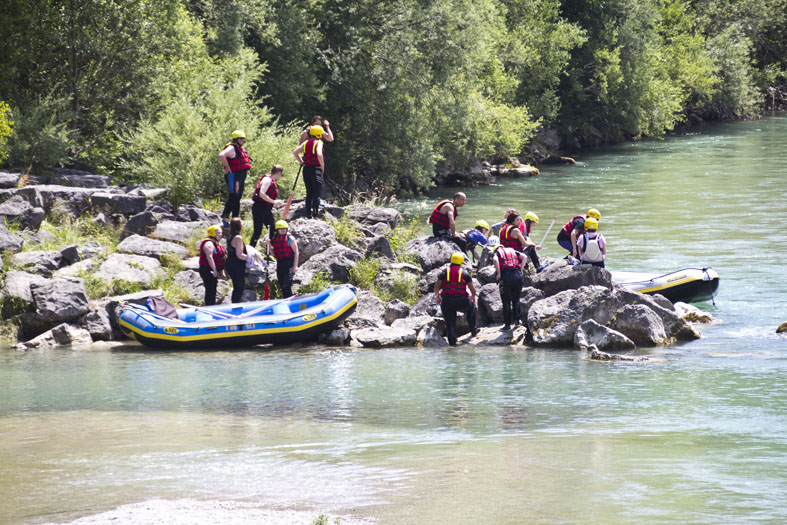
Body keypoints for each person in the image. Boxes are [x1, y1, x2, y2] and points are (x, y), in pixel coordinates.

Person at [434, 252, 478, 346]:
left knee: (450, 324)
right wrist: (472, 297)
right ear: (461, 261)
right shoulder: (465, 273)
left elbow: (436, 287)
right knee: (471, 308)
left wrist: (438, 297)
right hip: (462, 301)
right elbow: (473, 290)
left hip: (447, 301)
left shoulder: (444, 272)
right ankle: (473, 330)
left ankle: (452, 344)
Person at [492, 239, 528, 331]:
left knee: (506, 302)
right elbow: (524, 256)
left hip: (506, 277)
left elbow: (495, 259)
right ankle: (517, 322)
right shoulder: (512, 250)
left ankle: (507, 325)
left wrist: (498, 273)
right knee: (516, 300)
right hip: (517, 275)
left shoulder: (497, 252)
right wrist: (521, 269)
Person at [219, 130, 252, 225]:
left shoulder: (239, 148)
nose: (242, 140)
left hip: (240, 176)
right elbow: (221, 155)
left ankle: (235, 218)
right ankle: (226, 217)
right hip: (234, 176)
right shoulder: (232, 147)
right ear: (235, 139)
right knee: (233, 196)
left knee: (237, 197)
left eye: (243, 139)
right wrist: (227, 167)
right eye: (240, 139)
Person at [293, 125, 325, 219]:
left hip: (306, 169)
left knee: (309, 192)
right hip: (316, 170)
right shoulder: (319, 142)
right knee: (316, 193)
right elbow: (319, 154)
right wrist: (322, 167)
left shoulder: (306, 142)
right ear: (318, 134)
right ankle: (315, 214)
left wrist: (302, 162)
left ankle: (308, 213)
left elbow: (295, 152)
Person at [250, 164, 284, 249]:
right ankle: (250, 250)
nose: (280, 177)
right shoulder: (267, 180)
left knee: (272, 230)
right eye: (281, 175)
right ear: (279, 173)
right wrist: (274, 202)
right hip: (259, 208)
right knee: (258, 231)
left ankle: (271, 251)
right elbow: (262, 194)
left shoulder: (270, 180)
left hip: (266, 209)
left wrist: (276, 202)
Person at [269, 220, 299, 298]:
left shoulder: (290, 238)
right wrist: (268, 245)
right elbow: (273, 254)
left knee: (287, 284)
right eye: (281, 229)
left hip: (289, 263)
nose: (283, 230)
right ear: (277, 230)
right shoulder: (275, 239)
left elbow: (296, 252)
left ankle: (291, 298)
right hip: (280, 263)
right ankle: (286, 298)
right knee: (281, 284)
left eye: (284, 228)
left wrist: (295, 266)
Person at [198, 225, 227, 306]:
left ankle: (212, 304)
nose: (221, 235)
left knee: (213, 289)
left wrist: (221, 271)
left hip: (212, 270)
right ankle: (209, 305)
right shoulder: (208, 243)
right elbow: (209, 257)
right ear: (213, 234)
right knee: (210, 290)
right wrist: (214, 270)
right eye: (218, 233)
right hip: (207, 270)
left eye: (221, 233)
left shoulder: (216, 244)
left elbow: (221, 258)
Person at [225, 217, 248, 303]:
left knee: (237, 287)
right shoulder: (238, 238)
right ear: (239, 226)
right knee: (239, 288)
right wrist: (251, 258)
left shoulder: (230, 237)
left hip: (230, 264)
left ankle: (235, 303)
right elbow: (239, 254)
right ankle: (235, 305)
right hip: (236, 266)